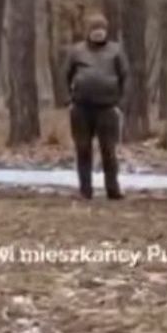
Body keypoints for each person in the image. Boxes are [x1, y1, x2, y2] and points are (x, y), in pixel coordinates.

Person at [63, 13, 128, 200]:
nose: (98, 33)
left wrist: (120, 100)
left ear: (106, 31)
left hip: (107, 107)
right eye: (94, 29)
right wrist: (70, 97)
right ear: (88, 32)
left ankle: (112, 189)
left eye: (101, 29)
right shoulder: (77, 51)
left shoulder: (116, 51)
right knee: (83, 149)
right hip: (81, 107)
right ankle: (85, 189)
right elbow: (66, 75)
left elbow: (125, 76)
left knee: (109, 150)